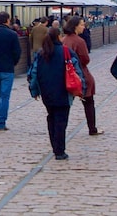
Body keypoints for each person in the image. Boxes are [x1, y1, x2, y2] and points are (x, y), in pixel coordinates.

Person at [28, 27, 84, 160]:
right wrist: (81, 89)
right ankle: (59, 150)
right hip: (64, 91)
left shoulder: (41, 53)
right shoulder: (66, 52)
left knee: (51, 117)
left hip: (47, 92)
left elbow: (33, 73)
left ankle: (55, 146)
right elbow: (77, 71)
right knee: (61, 121)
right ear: (59, 37)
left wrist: (34, 90)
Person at [62, 16, 102, 136]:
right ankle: (92, 128)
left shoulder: (63, 40)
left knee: (65, 104)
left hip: (65, 73)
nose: (83, 27)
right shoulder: (79, 41)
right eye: (82, 25)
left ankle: (61, 129)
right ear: (75, 26)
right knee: (88, 101)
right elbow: (85, 59)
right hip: (80, 73)